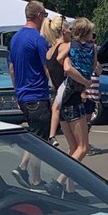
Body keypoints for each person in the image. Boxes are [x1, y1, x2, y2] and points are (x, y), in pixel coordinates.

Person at [7, 0, 53, 190]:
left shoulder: (15, 38)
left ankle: (29, 173)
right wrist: (58, 88)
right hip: (37, 95)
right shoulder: (38, 39)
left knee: (35, 135)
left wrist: (17, 90)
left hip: (23, 96)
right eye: (45, 15)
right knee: (39, 141)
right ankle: (30, 175)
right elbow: (47, 67)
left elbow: (11, 68)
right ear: (39, 16)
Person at [53, 18, 99, 197]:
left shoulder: (70, 46)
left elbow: (60, 60)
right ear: (87, 33)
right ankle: (59, 181)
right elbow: (92, 66)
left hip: (69, 92)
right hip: (76, 92)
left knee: (72, 148)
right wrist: (87, 80)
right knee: (82, 148)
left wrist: (69, 56)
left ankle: (69, 189)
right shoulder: (92, 48)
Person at [42, 15, 69, 146]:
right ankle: (52, 135)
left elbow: (49, 74)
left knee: (74, 146)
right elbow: (66, 66)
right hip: (69, 97)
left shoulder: (49, 51)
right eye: (69, 28)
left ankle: (52, 135)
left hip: (58, 90)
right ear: (63, 30)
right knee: (81, 146)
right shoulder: (64, 47)